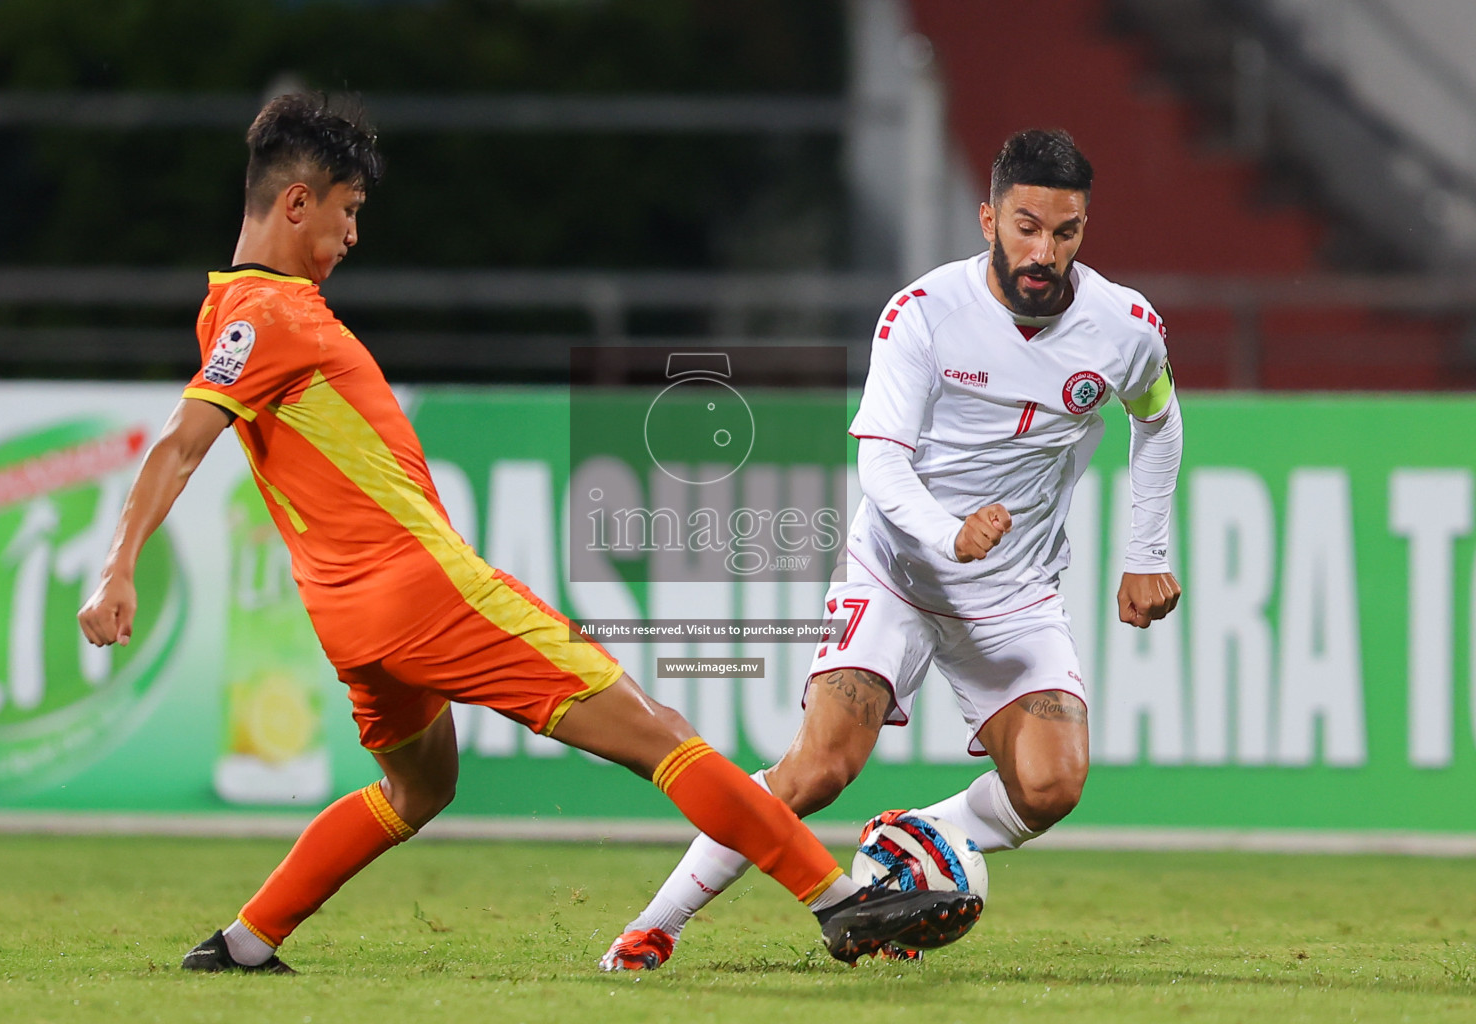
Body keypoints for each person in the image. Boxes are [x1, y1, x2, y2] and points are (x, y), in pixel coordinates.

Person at [74, 92, 978, 974]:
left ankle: (244, 941)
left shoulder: (229, 311)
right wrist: (118, 568)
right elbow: (177, 446)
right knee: (657, 733)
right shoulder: (273, 317)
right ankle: (838, 902)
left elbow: (188, 439)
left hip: (347, 620)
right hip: (423, 591)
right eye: (346, 212)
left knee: (418, 790)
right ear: (297, 202)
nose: (352, 235)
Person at [600, 128, 1183, 971]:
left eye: (1065, 232)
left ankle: (917, 845)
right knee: (819, 769)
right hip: (899, 571)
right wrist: (949, 533)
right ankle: (657, 923)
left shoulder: (1124, 327)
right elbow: (880, 460)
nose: (1044, 252)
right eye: (1025, 226)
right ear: (987, 216)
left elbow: (1158, 418)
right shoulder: (923, 314)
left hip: (1015, 591)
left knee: (1053, 785)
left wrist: (1147, 548)